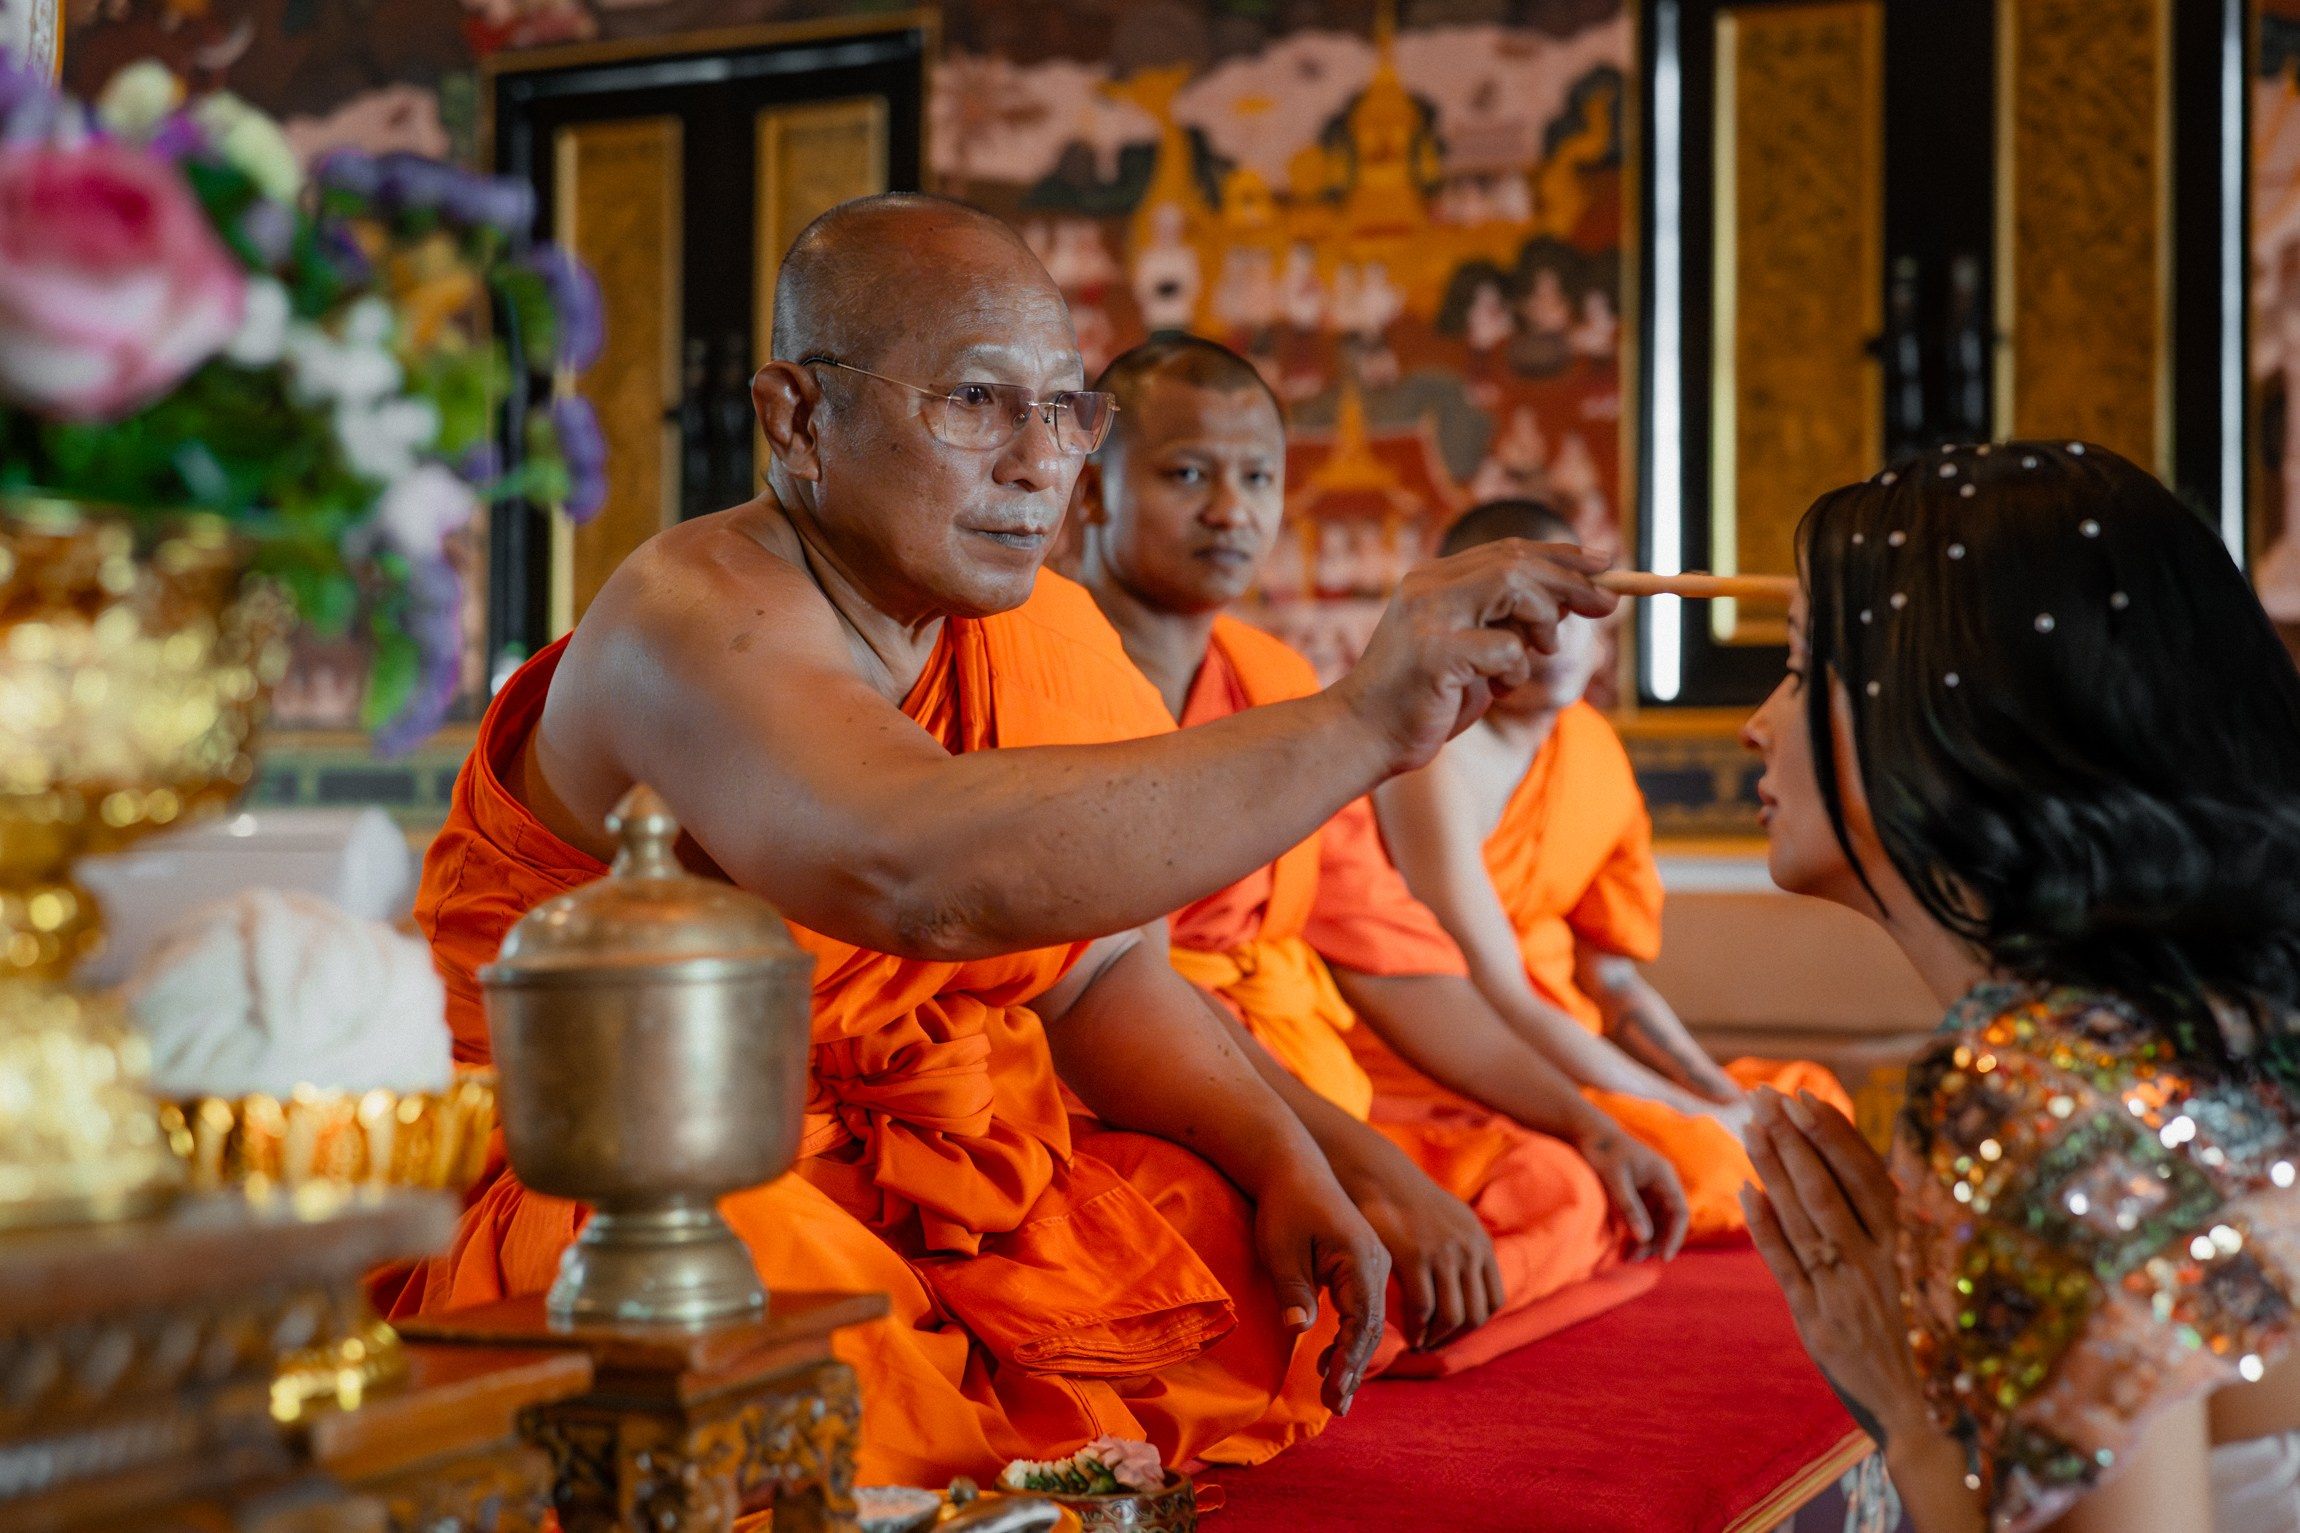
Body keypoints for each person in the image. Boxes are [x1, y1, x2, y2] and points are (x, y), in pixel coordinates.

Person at [400, 194, 1620, 1486]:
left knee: (1229, 1240)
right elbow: (918, 875)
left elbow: (1097, 975)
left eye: (1066, 410)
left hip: (943, 1165)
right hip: (660, 1170)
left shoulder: (1038, 633)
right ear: (796, 418)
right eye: (976, 401)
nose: (1041, 463)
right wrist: (1361, 721)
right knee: (760, 1300)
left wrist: (1285, 1155)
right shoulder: (688, 608)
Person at [1065, 336, 1689, 1373]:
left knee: (1559, 1185)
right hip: (1117, 1083)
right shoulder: (1042, 667)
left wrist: (1590, 1123)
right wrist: (1364, 1172)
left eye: (1257, 478)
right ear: (1090, 490)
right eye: (1187, 475)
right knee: (1203, 1243)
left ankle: (1361, 1300)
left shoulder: (1279, 685)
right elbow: (1108, 995)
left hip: (1290, 1073)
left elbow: (1392, 961)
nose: (1230, 511)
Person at [1737, 441, 2300, 1532]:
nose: (1755, 722)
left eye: (1802, 667)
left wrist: (1902, 1403)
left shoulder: (2040, 1086)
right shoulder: (2219, 1022)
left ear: (1964, 712)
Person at [1372, 498, 1851, 1241]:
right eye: (1520, 615)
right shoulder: (1433, 759)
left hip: (1569, 1041)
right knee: (1696, 1160)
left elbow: (1614, 981)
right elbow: (1499, 995)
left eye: (1570, 607)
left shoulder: (1591, 749)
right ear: (1465, 624)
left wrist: (1722, 1099)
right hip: (1460, 1058)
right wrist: (1691, 1116)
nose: (1555, 638)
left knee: (1803, 1104)